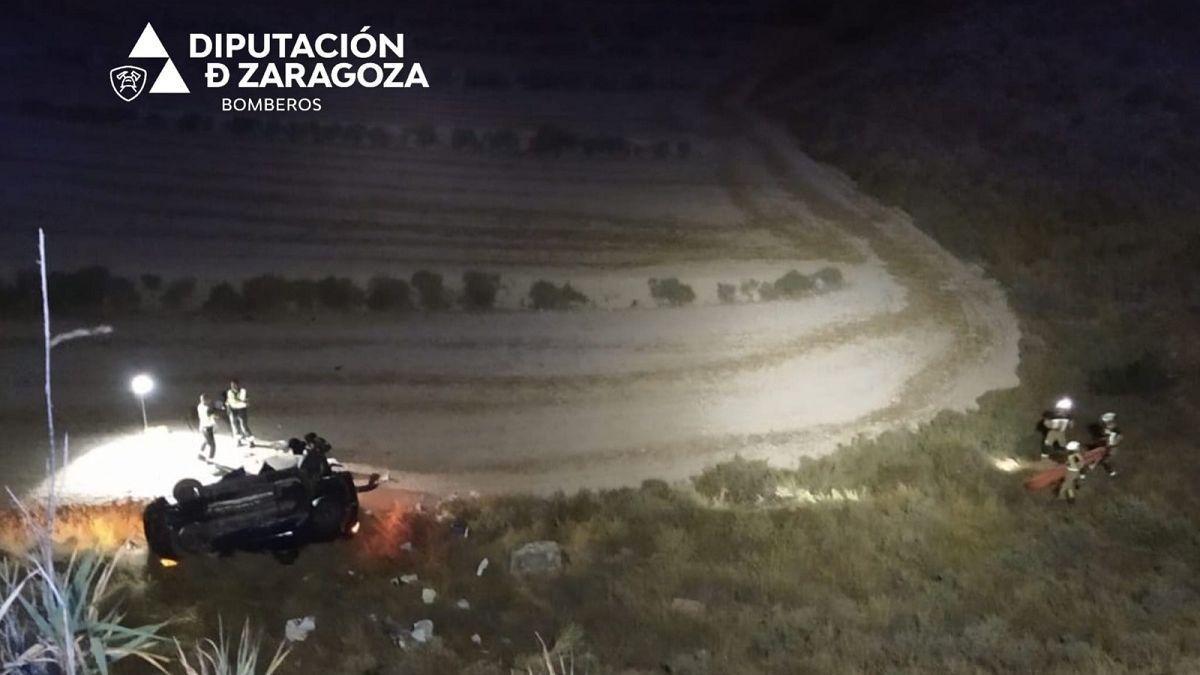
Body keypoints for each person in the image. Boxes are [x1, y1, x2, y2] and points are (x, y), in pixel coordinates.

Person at [1091, 412, 1122, 478]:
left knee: (1104, 459)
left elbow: (1118, 437)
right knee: (1098, 454)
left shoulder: (1115, 431)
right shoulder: (1105, 430)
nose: (1107, 424)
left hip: (1111, 447)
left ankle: (1111, 471)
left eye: (1109, 423)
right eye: (1106, 423)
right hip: (1105, 445)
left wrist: (1112, 437)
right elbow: (1101, 436)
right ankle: (1092, 464)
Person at [225, 378, 255, 446]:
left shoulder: (243, 391)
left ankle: (251, 441)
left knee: (244, 426)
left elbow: (244, 400)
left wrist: (243, 401)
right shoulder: (229, 392)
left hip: (241, 410)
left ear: (238, 385)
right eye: (231, 385)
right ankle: (238, 441)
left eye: (234, 385)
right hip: (233, 410)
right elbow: (228, 401)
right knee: (235, 426)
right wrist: (228, 409)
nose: (233, 386)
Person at [197, 394, 219, 459]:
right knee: (213, 445)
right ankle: (210, 459)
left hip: (202, 427)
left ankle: (200, 454)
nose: (210, 401)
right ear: (205, 400)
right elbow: (212, 416)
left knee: (206, 441)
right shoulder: (207, 409)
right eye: (208, 400)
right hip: (208, 428)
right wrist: (216, 416)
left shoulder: (199, 406)